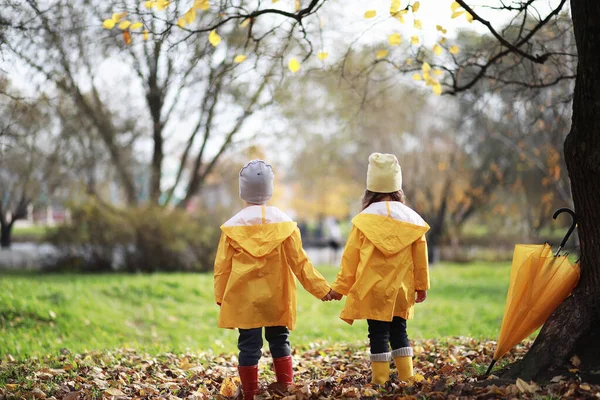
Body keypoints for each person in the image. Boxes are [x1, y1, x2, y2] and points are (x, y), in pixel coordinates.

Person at [214, 160, 334, 399]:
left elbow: (222, 268)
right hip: (277, 296)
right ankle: (286, 388)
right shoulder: (285, 225)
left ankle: (250, 393)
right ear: (269, 190)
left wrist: (221, 296)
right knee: (280, 340)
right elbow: (300, 263)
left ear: (242, 191)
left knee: (248, 345)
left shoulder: (232, 228)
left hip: (244, 300)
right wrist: (322, 290)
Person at [328, 153, 430, 385]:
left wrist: (339, 288)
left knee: (378, 334)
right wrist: (421, 287)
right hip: (400, 291)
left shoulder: (363, 221)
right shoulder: (412, 220)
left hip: (372, 290)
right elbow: (420, 258)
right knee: (399, 331)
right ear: (398, 189)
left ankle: (380, 381)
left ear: (370, 190)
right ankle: (407, 378)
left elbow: (350, 260)